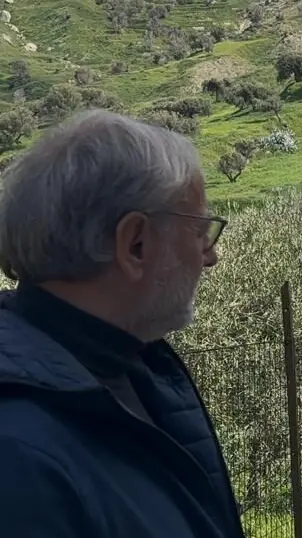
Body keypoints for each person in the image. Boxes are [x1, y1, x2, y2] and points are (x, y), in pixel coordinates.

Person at [0, 109, 243, 538]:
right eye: (201, 231)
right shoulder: (20, 458)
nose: (210, 256)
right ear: (135, 244)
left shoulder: (135, 367)